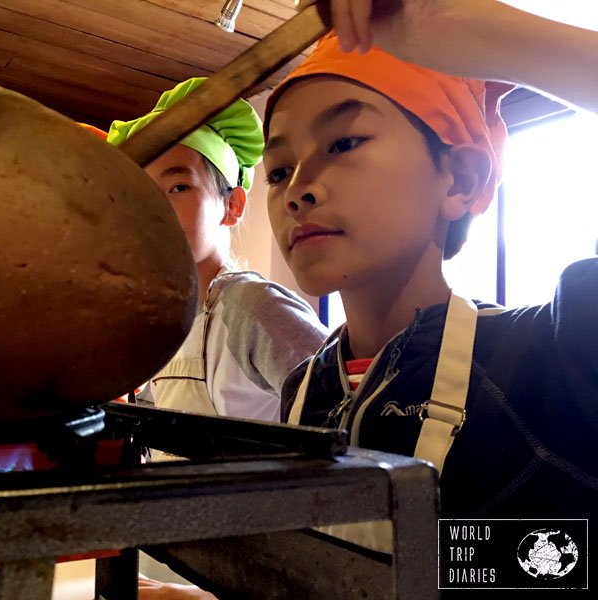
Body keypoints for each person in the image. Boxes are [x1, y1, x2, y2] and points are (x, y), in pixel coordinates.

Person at [267, 0, 598, 549]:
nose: (298, 187)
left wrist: (474, 29)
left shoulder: (561, 352)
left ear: (460, 180)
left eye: (344, 143)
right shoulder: (302, 390)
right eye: (278, 171)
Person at [107, 77, 328, 422]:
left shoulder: (253, 307)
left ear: (232, 206)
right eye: (141, 193)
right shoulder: (164, 325)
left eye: (178, 186)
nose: (154, 210)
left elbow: (341, 414)